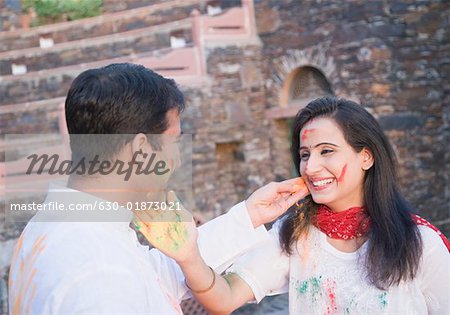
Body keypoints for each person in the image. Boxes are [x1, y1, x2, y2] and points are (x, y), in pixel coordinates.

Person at [8, 63, 309, 314]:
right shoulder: (99, 274)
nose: (177, 160)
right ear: (140, 148)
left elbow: (155, 274)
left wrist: (248, 216)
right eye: (174, 143)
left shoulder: (63, 226)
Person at [151, 97, 450, 314]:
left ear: (366, 157)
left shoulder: (421, 243)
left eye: (327, 151)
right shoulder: (295, 235)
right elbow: (224, 297)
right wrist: (188, 256)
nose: (311, 167)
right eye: (305, 154)